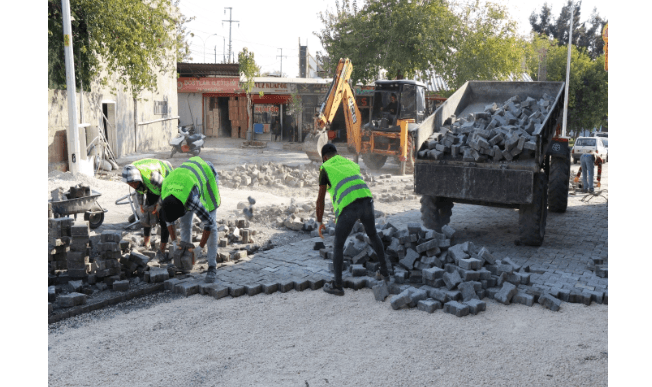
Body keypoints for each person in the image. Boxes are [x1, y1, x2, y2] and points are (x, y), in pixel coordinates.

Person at [316, 143, 391, 296]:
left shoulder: (325, 168)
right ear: (337, 153)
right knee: (373, 234)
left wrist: (319, 221)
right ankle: (385, 272)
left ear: (324, 158)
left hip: (349, 206)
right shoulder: (350, 163)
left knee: (338, 244)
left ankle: (337, 285)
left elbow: (320, 199)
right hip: (367, 200)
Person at [159, 156, 221, 283]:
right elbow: (169, 221)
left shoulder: (192, 200)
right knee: (185, 223)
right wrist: (175, 241)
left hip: (206, 177)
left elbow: (208, 223)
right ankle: (185, 261)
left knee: (212, 227)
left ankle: (212, 266)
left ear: (184, 208)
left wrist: (200, 248)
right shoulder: (165, 196)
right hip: (185, 179)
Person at [121, 159, 173, 260]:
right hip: (152, 185)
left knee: (163, 218)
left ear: (138, 178)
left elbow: (166, 189)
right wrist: (141, 204)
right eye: (129, 184)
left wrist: (158, 206)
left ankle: (162, 249)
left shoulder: (152, 178)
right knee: (147, 211)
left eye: (133, 183)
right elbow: (139, 189)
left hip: (165, 178)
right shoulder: (131, 172)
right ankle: (146, 243)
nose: (132, 186)